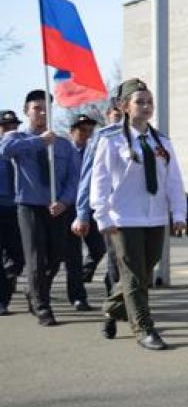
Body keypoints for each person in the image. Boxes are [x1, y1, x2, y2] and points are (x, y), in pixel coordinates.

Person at [90, 79, 187, 350]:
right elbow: (99, 179)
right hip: (124, 216)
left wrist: (179, 211)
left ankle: (111, 307)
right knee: (133, 274)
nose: (146, 107)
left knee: (144, 271)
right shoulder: (110, 138)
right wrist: (102, 215)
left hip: (155, 216)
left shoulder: (162, 141)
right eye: (139, 102)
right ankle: (143, 327)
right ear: (124, 106)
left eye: (149, 102)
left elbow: (173, 180)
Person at [0, 90, 78, 326]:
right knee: (35, 257)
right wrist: (40, 141)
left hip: (57, 208)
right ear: (27, 111)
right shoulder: (16, 138)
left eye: (47, 108)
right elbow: (5, 151)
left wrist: (64, 201)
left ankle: (34, 290)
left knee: (55, 258)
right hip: (29, 206)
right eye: (37, 108)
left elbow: (74, 178)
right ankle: (43, 306)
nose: (43, 113)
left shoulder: (63, 145)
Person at [72, 99, 126, 337]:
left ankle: (123, 306)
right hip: (112, 213)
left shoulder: (144, 136)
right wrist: (82, 213)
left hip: (142, 215)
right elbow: (87, 179)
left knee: (138, 268)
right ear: (108, 114)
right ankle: (112, 313)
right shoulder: (100, 140)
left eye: (120, 112)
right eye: (114, 112)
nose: (117, 116)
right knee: (116, 265)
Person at [63, 113, 98, 312]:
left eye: (89, 130)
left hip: (90, 209)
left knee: (98, 248)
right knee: (73, 256)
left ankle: (85, 273)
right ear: (71, 132)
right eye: (81, 130)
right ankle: (78, 297)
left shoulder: (93, 152)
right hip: (69, 210)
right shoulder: (63, 152)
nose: (86, 134)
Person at [0, 110, 26, 315]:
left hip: (16, 208)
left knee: (18, 256)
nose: (10, 130)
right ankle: (2, 301)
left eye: (13, 126)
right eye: (5, 127)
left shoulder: (21, 148)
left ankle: (10, 276)